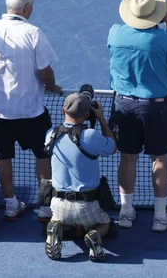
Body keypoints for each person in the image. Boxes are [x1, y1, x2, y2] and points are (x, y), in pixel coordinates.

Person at [0, 0, 62, 222]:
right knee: (43, 156)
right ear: (27, 7)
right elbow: (45, 71)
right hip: (30, 111)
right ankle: (46, 208)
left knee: (2, 156)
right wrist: (51, 87)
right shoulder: (33, 33)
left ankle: (11, 204)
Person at [107, 0, 167, 232]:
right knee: (159, 159)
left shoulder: (115, 33)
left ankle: (126, 213)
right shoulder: (161, 39)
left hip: (122, 105)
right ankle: (160, 217)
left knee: (127, 158)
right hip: (155, 109)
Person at [44, 93, 117, 262]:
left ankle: (56, 225)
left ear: (63, 110)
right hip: (86, 206)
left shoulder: (51, 134)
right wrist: (101, 118)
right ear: (87, 115)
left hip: (57, 205)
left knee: (60, 216)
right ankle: (94, 234)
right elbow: (112, 147)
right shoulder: (90, 136)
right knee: (105, 224)